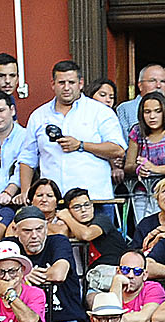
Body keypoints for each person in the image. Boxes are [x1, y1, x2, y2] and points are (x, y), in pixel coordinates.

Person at [21, 61, 126, 222]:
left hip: (95, 199)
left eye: (71, 82)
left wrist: (81, 145)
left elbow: (118, 149)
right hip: (54, 202)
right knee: (57, 246)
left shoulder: (100, 112)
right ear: (53, 84)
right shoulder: (39, 116)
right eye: (61, 82)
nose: (66, 87)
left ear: (81, 83)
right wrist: (26, 192)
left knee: (100, 247)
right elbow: (28, 158)